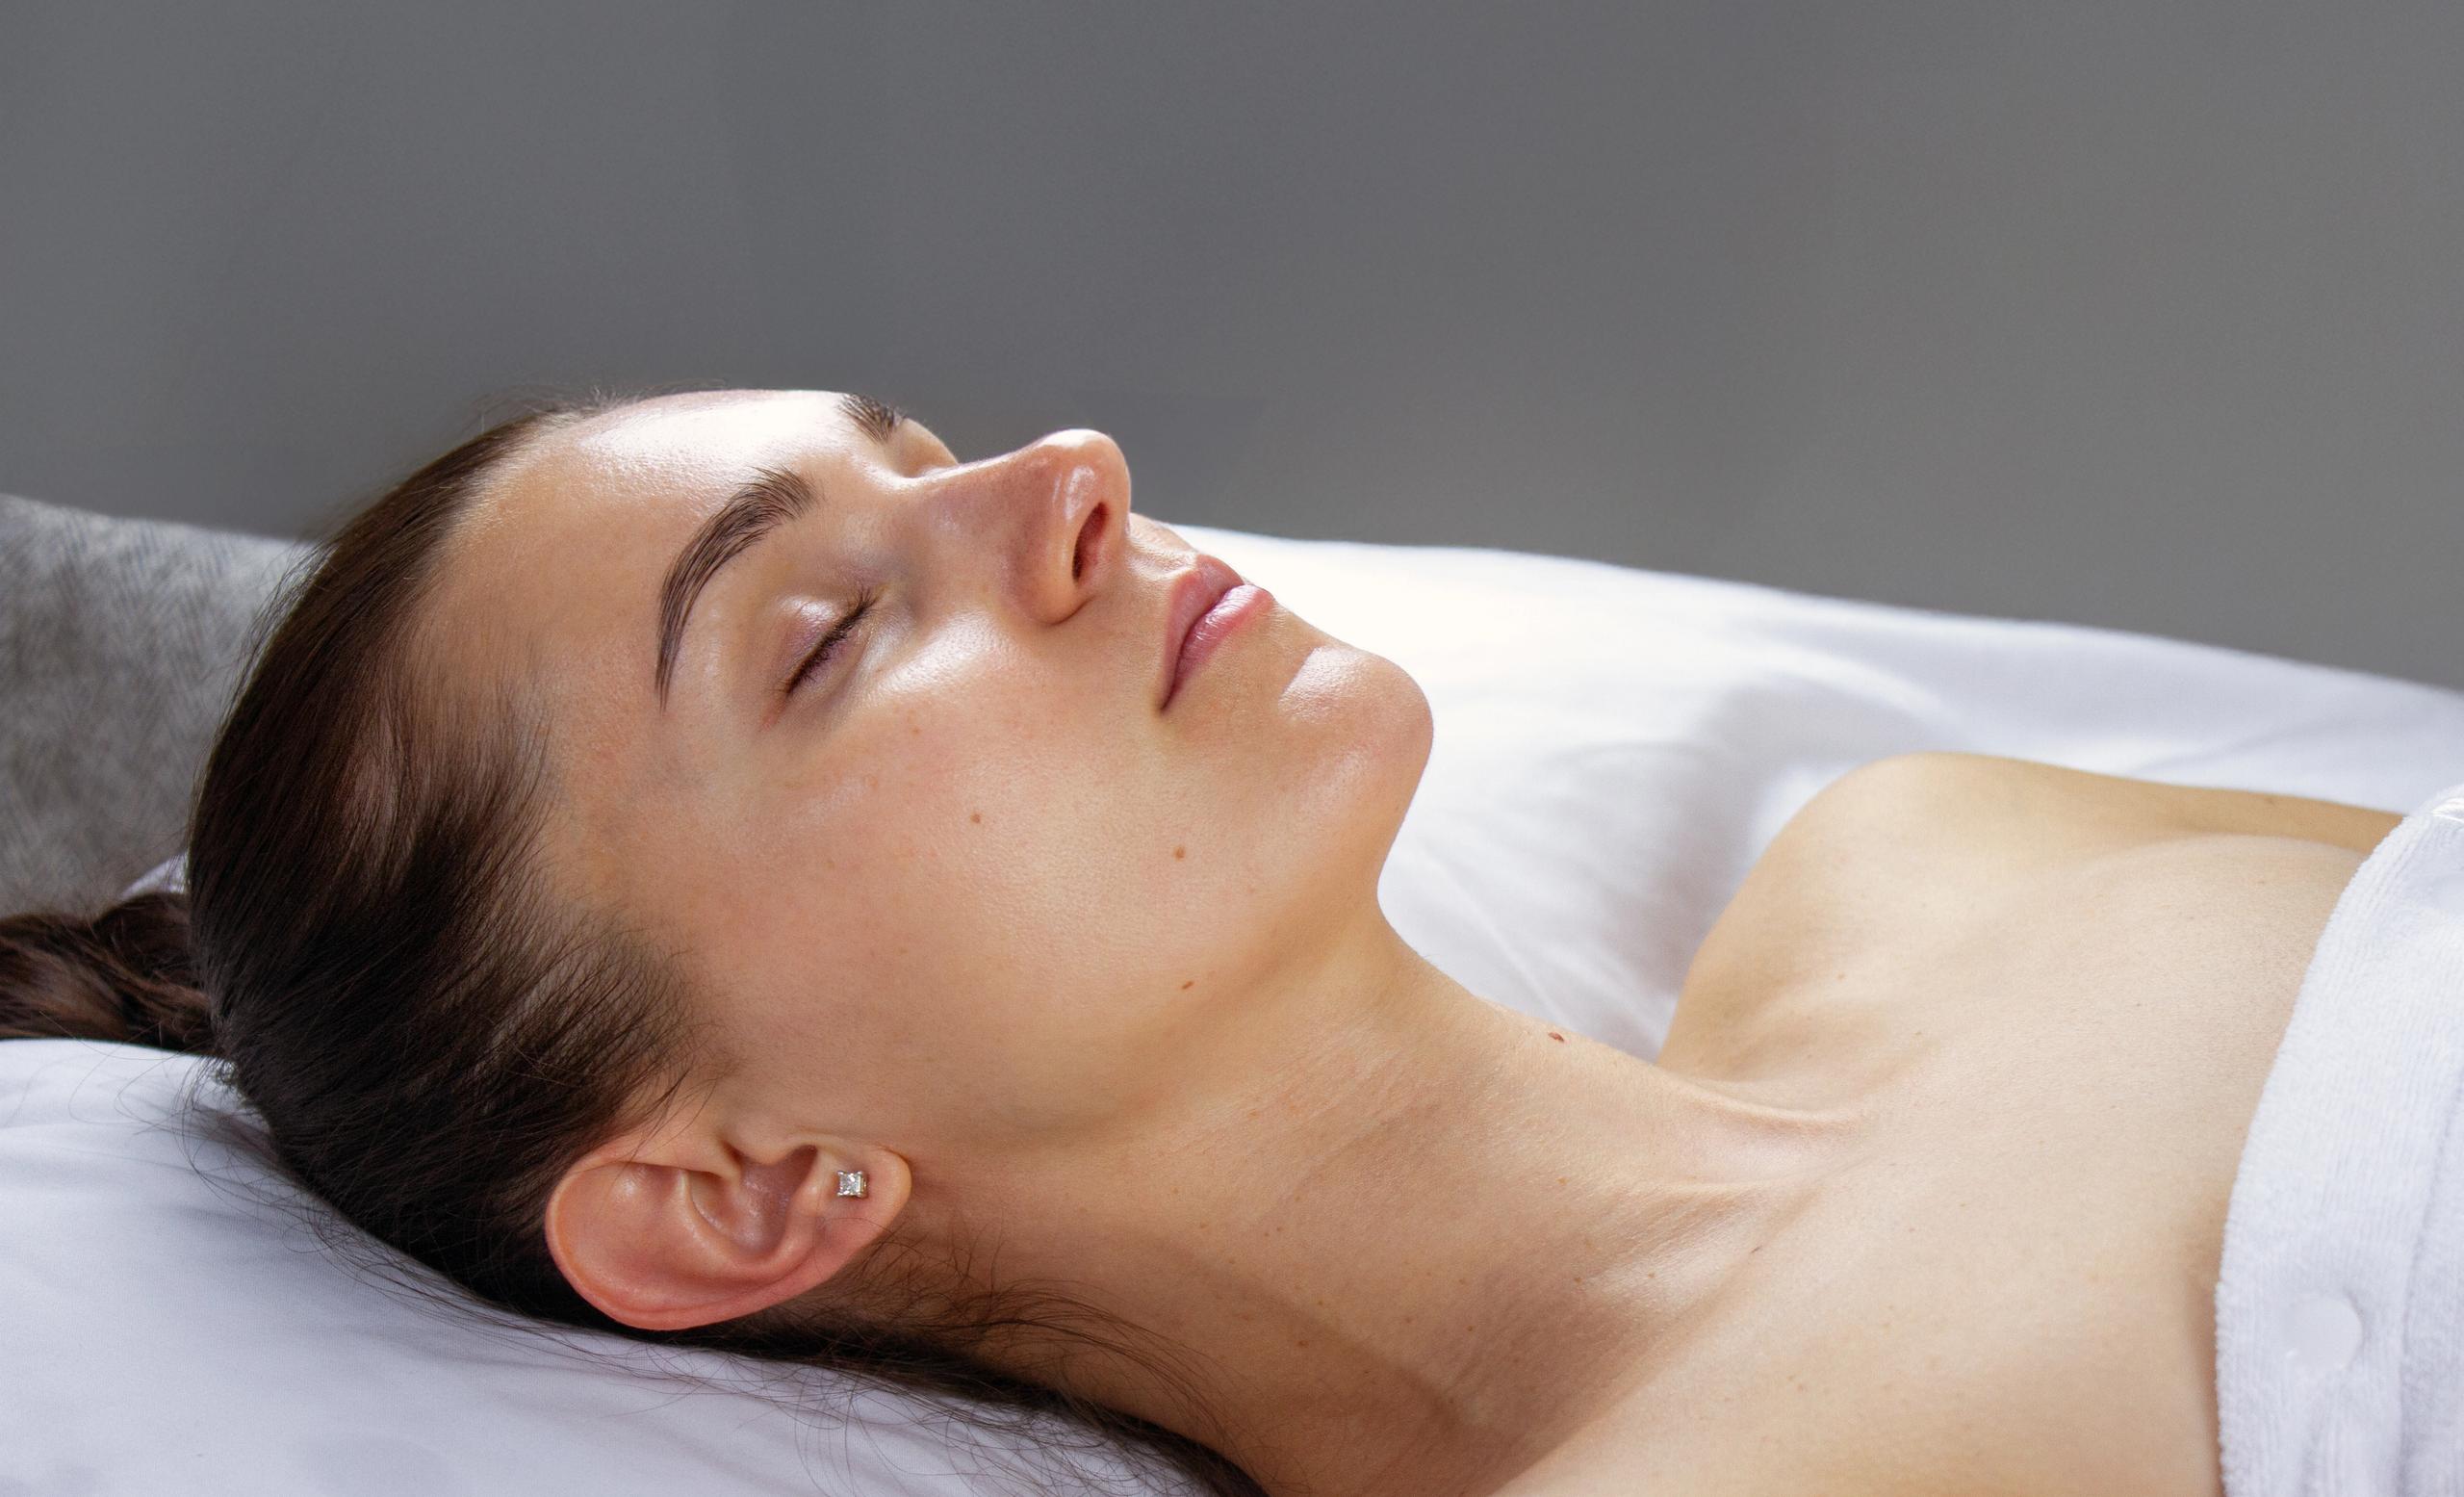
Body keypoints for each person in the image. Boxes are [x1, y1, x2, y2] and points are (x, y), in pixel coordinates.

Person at [0, 387, 2406, 1497]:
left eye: (923, 452)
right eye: (828, 632)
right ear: (742, 1188)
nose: (1067, 484)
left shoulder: (1931, 856)